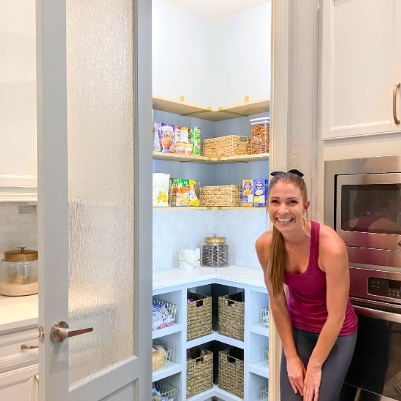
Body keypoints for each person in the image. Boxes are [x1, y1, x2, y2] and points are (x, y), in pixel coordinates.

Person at [255, 169, 358, 401]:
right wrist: (291, 358)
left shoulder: (330, 246)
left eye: (292, 202)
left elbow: (336, 316)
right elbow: (278, 301)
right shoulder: (265, 245)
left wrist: (314, 366)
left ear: (305, 206)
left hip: (336, 333)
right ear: (268, 205)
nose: (282, 210)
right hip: (299, 330)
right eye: (275, 202)